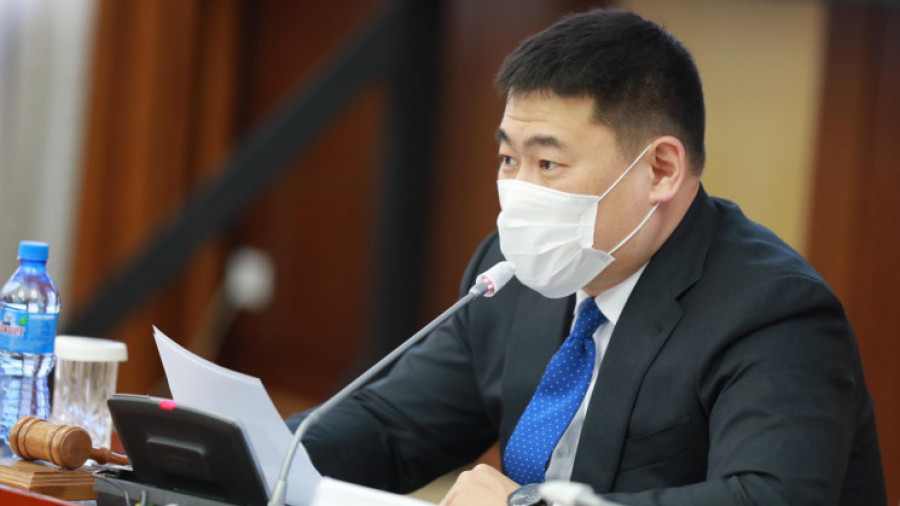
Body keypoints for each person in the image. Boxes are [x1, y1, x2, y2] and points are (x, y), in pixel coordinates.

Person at [288, 8, 886, 506]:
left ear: (660, 170)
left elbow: (766, 497)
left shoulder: (773, 311)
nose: (518, 192)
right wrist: (259, 452)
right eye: (508, 159)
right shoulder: (514, 272)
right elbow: (394, 426)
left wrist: (529, 505)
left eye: (547, 163)